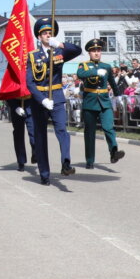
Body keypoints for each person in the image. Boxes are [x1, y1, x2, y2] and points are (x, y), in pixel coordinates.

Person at [25, 18, 82, 184]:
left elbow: (77, 50)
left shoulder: (59, 52)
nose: (47, 35)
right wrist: (42, 100)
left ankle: (66, 163)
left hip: (57, 97)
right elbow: (29, 82)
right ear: (39, 36)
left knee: (62, 131)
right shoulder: (33, 56)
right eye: (44, 33)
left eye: (50, 33)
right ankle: (44, 173)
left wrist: (61, 45)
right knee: (40, 136)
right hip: (39, 101)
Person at [76, 39, 126, 168]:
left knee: (109, 127)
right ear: (89, 53)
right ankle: (90, 160)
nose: (97, 53)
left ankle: (114, 152)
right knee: (90, 132)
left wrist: (118, 95)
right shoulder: (84, 65)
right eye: (93, 51)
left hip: (104, 101)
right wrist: (95, 72)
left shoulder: (106, 66)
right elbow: (80, 74)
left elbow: (113, 83)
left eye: (98, 50)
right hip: (90, 102)